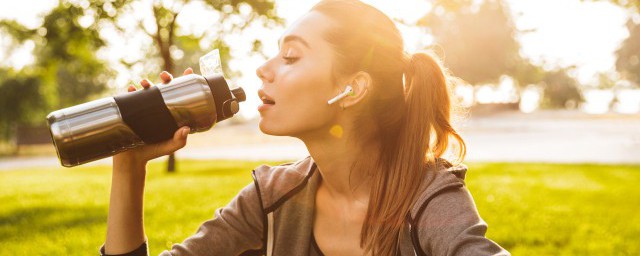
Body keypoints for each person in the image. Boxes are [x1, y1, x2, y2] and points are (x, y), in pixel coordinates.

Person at [101, 0, 510, 255]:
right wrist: (130, 165)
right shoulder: (273, 197)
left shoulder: (429, 199)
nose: (263, 69)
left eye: (291, 57)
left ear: (352, 88)